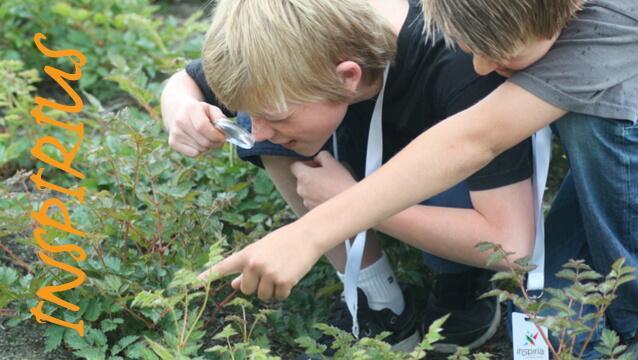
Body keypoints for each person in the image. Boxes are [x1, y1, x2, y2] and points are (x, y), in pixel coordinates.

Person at [206, 0, 638, 358]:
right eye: (471, 47)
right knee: (559, 336)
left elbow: (475, 138)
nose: (481, 67)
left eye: (502, 53)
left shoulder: (611, 23)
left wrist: (312, 232)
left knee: (599, 124)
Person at [161, 0, 537, 353]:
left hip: (453, 166)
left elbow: (511, 244)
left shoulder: (458, 61)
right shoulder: (284, 50)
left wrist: (351, 203)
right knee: (270, 130)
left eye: (274, 116)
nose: (257, 132)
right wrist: (183, 109)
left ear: (348, 76)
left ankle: (460, 280)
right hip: (361, 137)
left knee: (452, 174)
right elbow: (185, 81)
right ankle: (378, 299)